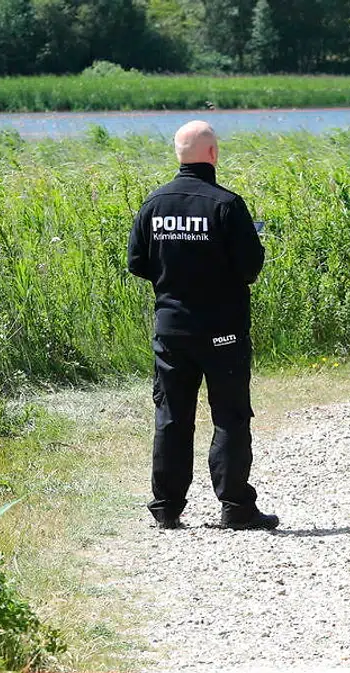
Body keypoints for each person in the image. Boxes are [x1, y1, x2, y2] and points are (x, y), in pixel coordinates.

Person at [127, 120, 280, 531]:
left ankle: (166, 508)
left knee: (172, 416)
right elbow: (250, 268)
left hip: (171, 330)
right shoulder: (226, 205)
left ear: (178, 154)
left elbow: (137, 263)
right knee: (229, 416)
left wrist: (175, 279)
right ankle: (236, 507)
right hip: (222, 331)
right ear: (213, 154)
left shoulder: (154, 203)